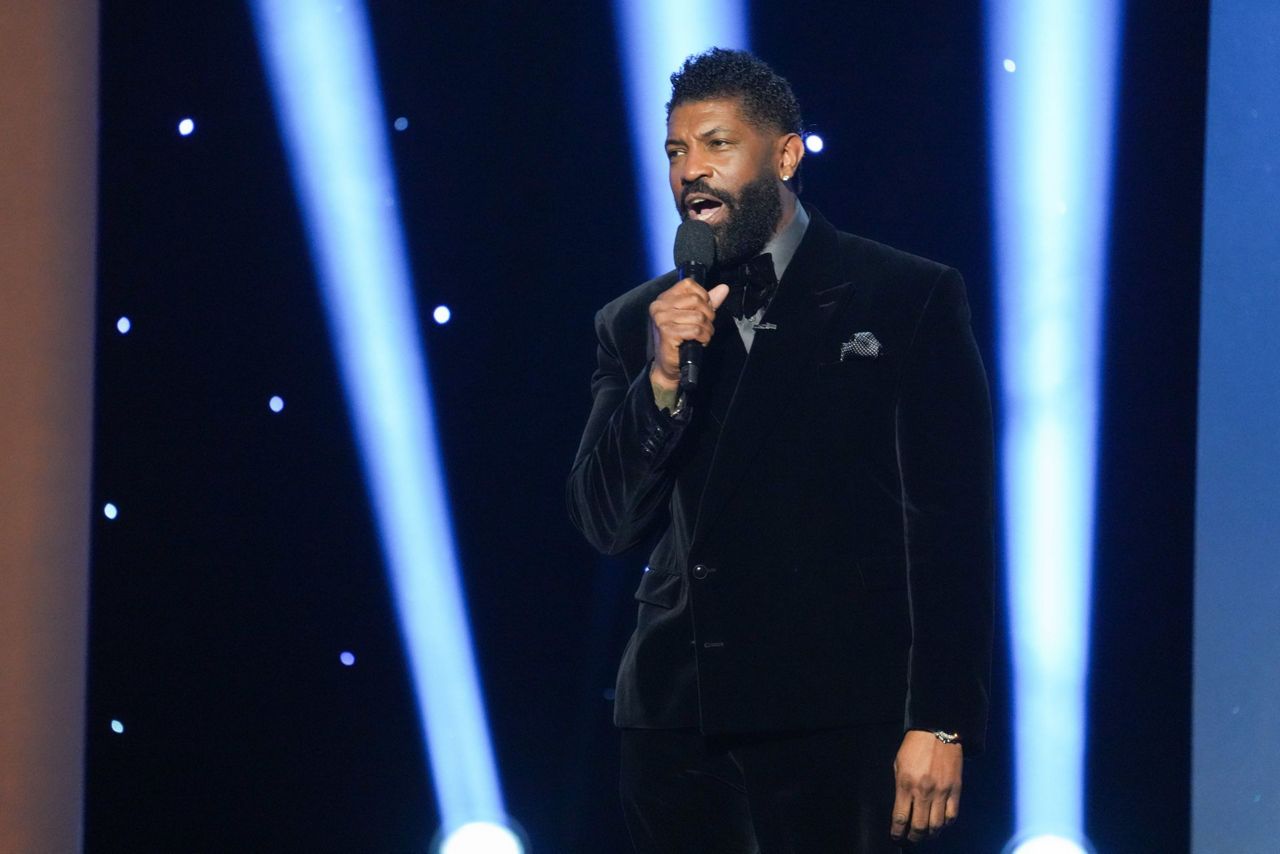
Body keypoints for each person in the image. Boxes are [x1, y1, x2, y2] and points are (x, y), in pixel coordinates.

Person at [566, 48, 994, 853]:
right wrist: (661, 380)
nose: (691, 171)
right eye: (675, 151)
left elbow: (951, 529)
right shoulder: (636, 324)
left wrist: (941, 720)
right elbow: (606, 523)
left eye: (717, 145)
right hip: (678, 728)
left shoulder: (905, 296)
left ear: (786, 155)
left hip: (841, 722)